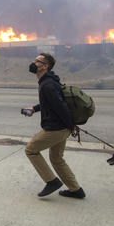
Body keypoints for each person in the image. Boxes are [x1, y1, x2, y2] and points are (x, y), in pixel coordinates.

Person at [22, 53, 85, 199]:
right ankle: (76, 190)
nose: (33, 62)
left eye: (37, 61)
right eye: (34, 59)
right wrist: (35, 109)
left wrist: (70, 125)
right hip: (62, 127)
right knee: (56, 158)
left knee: (31, 150)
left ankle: (52, 181)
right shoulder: (48, 81)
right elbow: (51, 103)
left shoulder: (47, 84)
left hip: (56, 128)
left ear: (45, 66)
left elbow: (61, 107)